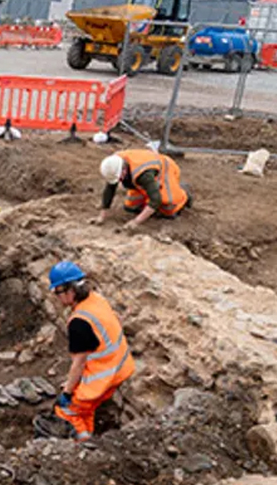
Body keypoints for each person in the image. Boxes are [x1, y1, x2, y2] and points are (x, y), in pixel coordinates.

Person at [47, 261, 135, 441]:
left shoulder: (80, 322)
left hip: (104, 377)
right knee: (85, 407)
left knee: (67, 410)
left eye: (58, 292)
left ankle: (84, 446)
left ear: (69, 290)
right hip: (121, 366)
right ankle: (89, 432)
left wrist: (67, 393)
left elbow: (78, 363)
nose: (57, 297)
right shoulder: (97, 299)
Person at [92, 150, 191, 229]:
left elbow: (156, 200)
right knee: (130, 207)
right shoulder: (114, 163)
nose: (119, 181)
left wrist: (136, 222)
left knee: (168, 209)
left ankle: (184, 193)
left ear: (124, 170)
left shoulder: (143, 174)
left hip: (165, 169)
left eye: (120, 178)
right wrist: (101, 216)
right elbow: (110, 188)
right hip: (143, 178)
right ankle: (151, 191)